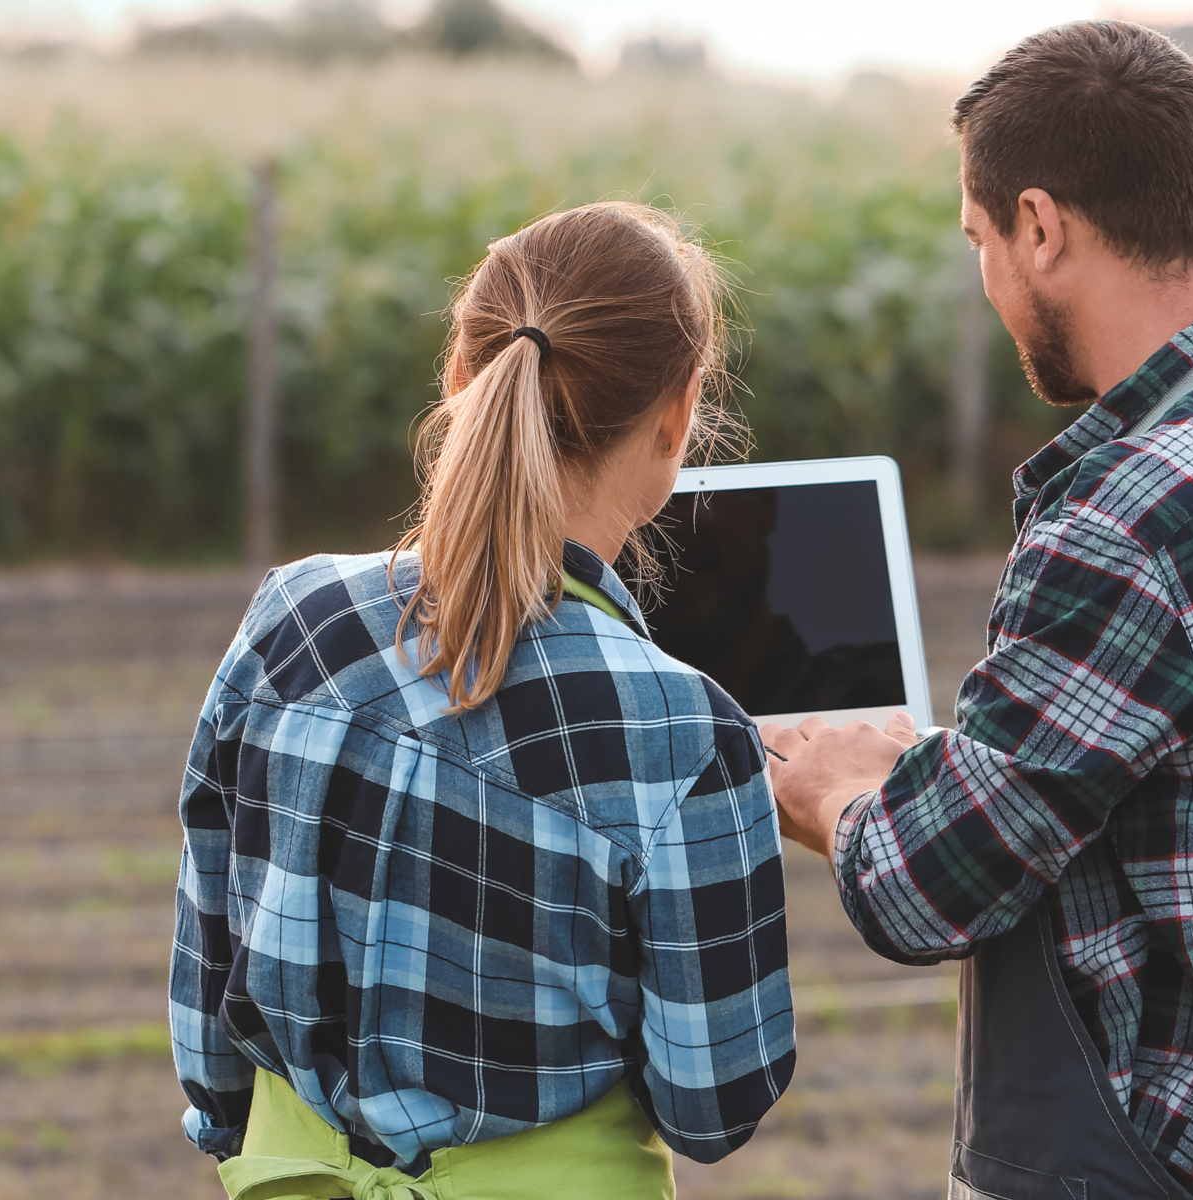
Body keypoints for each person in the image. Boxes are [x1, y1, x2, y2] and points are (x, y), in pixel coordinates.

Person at [764, 21, 1193, 1200]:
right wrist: (938, 768)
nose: (986, 277)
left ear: (1040, 226)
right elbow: (1158, 776)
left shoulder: (1134, 509)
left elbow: (931, 887)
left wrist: (834, 785)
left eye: (981, 240)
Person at [169, 201, 796, 1198]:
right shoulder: (686, 734)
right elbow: (712, 1104)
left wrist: (245, 1130)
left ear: (461, 378)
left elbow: (212, 958)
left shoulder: (290, 621)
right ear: (676, 423)